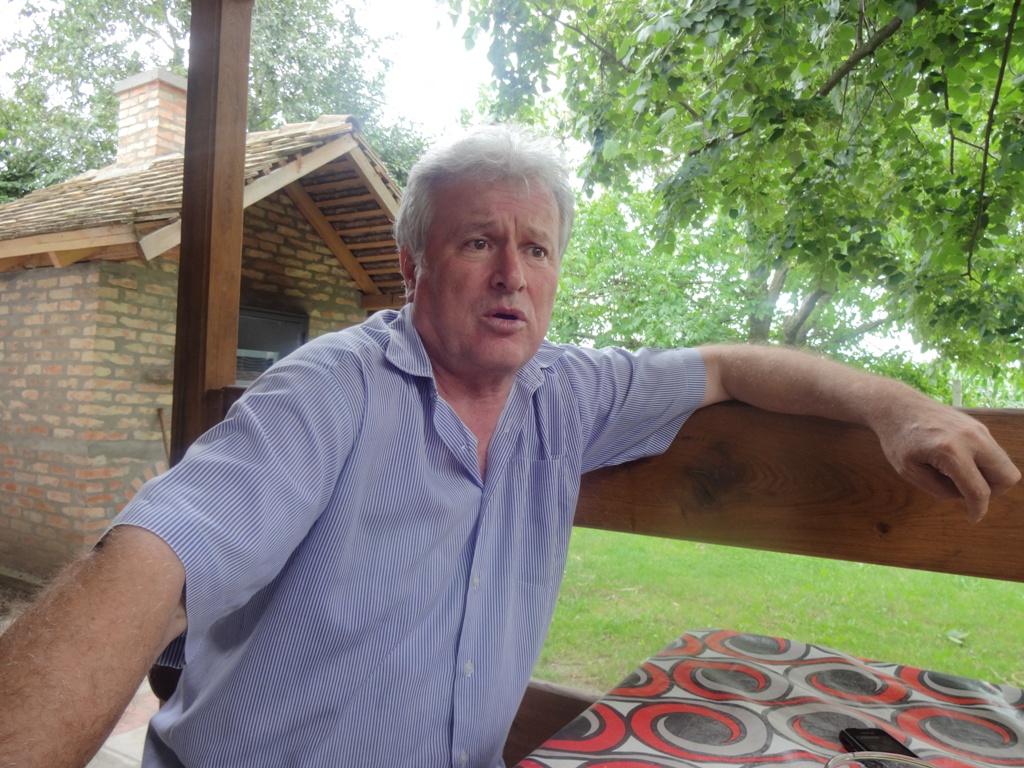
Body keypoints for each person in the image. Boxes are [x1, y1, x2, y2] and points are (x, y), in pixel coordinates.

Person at [0, 125, 1019, 768]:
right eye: (479, 241)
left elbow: (730, 365)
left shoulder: (568, 394)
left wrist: (896, 406)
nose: (512, 275)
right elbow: (158, 558)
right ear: (412, 267)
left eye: (536, 248)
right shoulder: (330, 390)